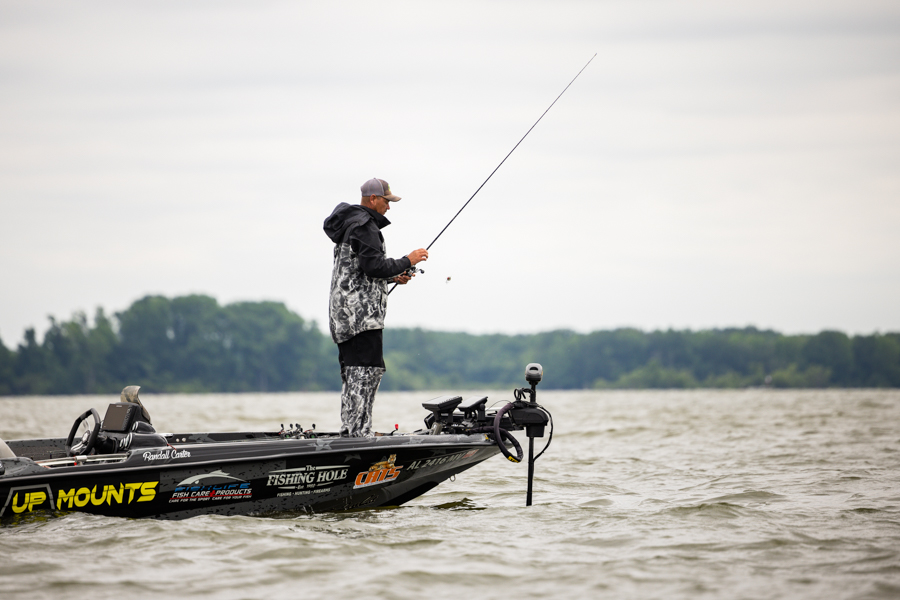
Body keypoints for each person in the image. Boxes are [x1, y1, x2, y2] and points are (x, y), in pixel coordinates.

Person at [323, 178, 428, 437]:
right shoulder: (364, 226)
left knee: (353, 374)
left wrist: (392, 277)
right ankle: (359, 433)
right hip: (362, 318)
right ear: (373, 199)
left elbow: (359, 270)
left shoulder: (350, 225)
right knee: (366, 373)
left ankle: (352, 430)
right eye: (386, 201)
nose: (388, 207)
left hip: (344, 315)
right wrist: (408, 260)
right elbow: (374, 266)